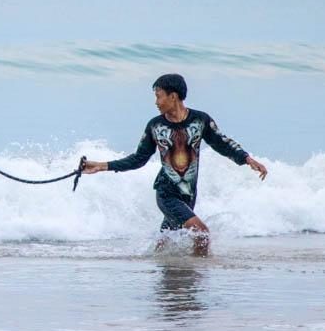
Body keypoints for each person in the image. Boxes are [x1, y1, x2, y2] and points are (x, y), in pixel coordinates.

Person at [82, 74, 267, 255]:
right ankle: (196, 275)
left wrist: (246, 159)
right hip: (166, 192)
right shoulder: (155, 126)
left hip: (188, 193)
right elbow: (139, 158)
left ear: (173, 96)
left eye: (158, 96)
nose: (156, 102)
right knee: (201, 234)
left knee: (165, 245)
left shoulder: (200, 120)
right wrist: (101, 165)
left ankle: (163, 274)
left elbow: (222, 143)